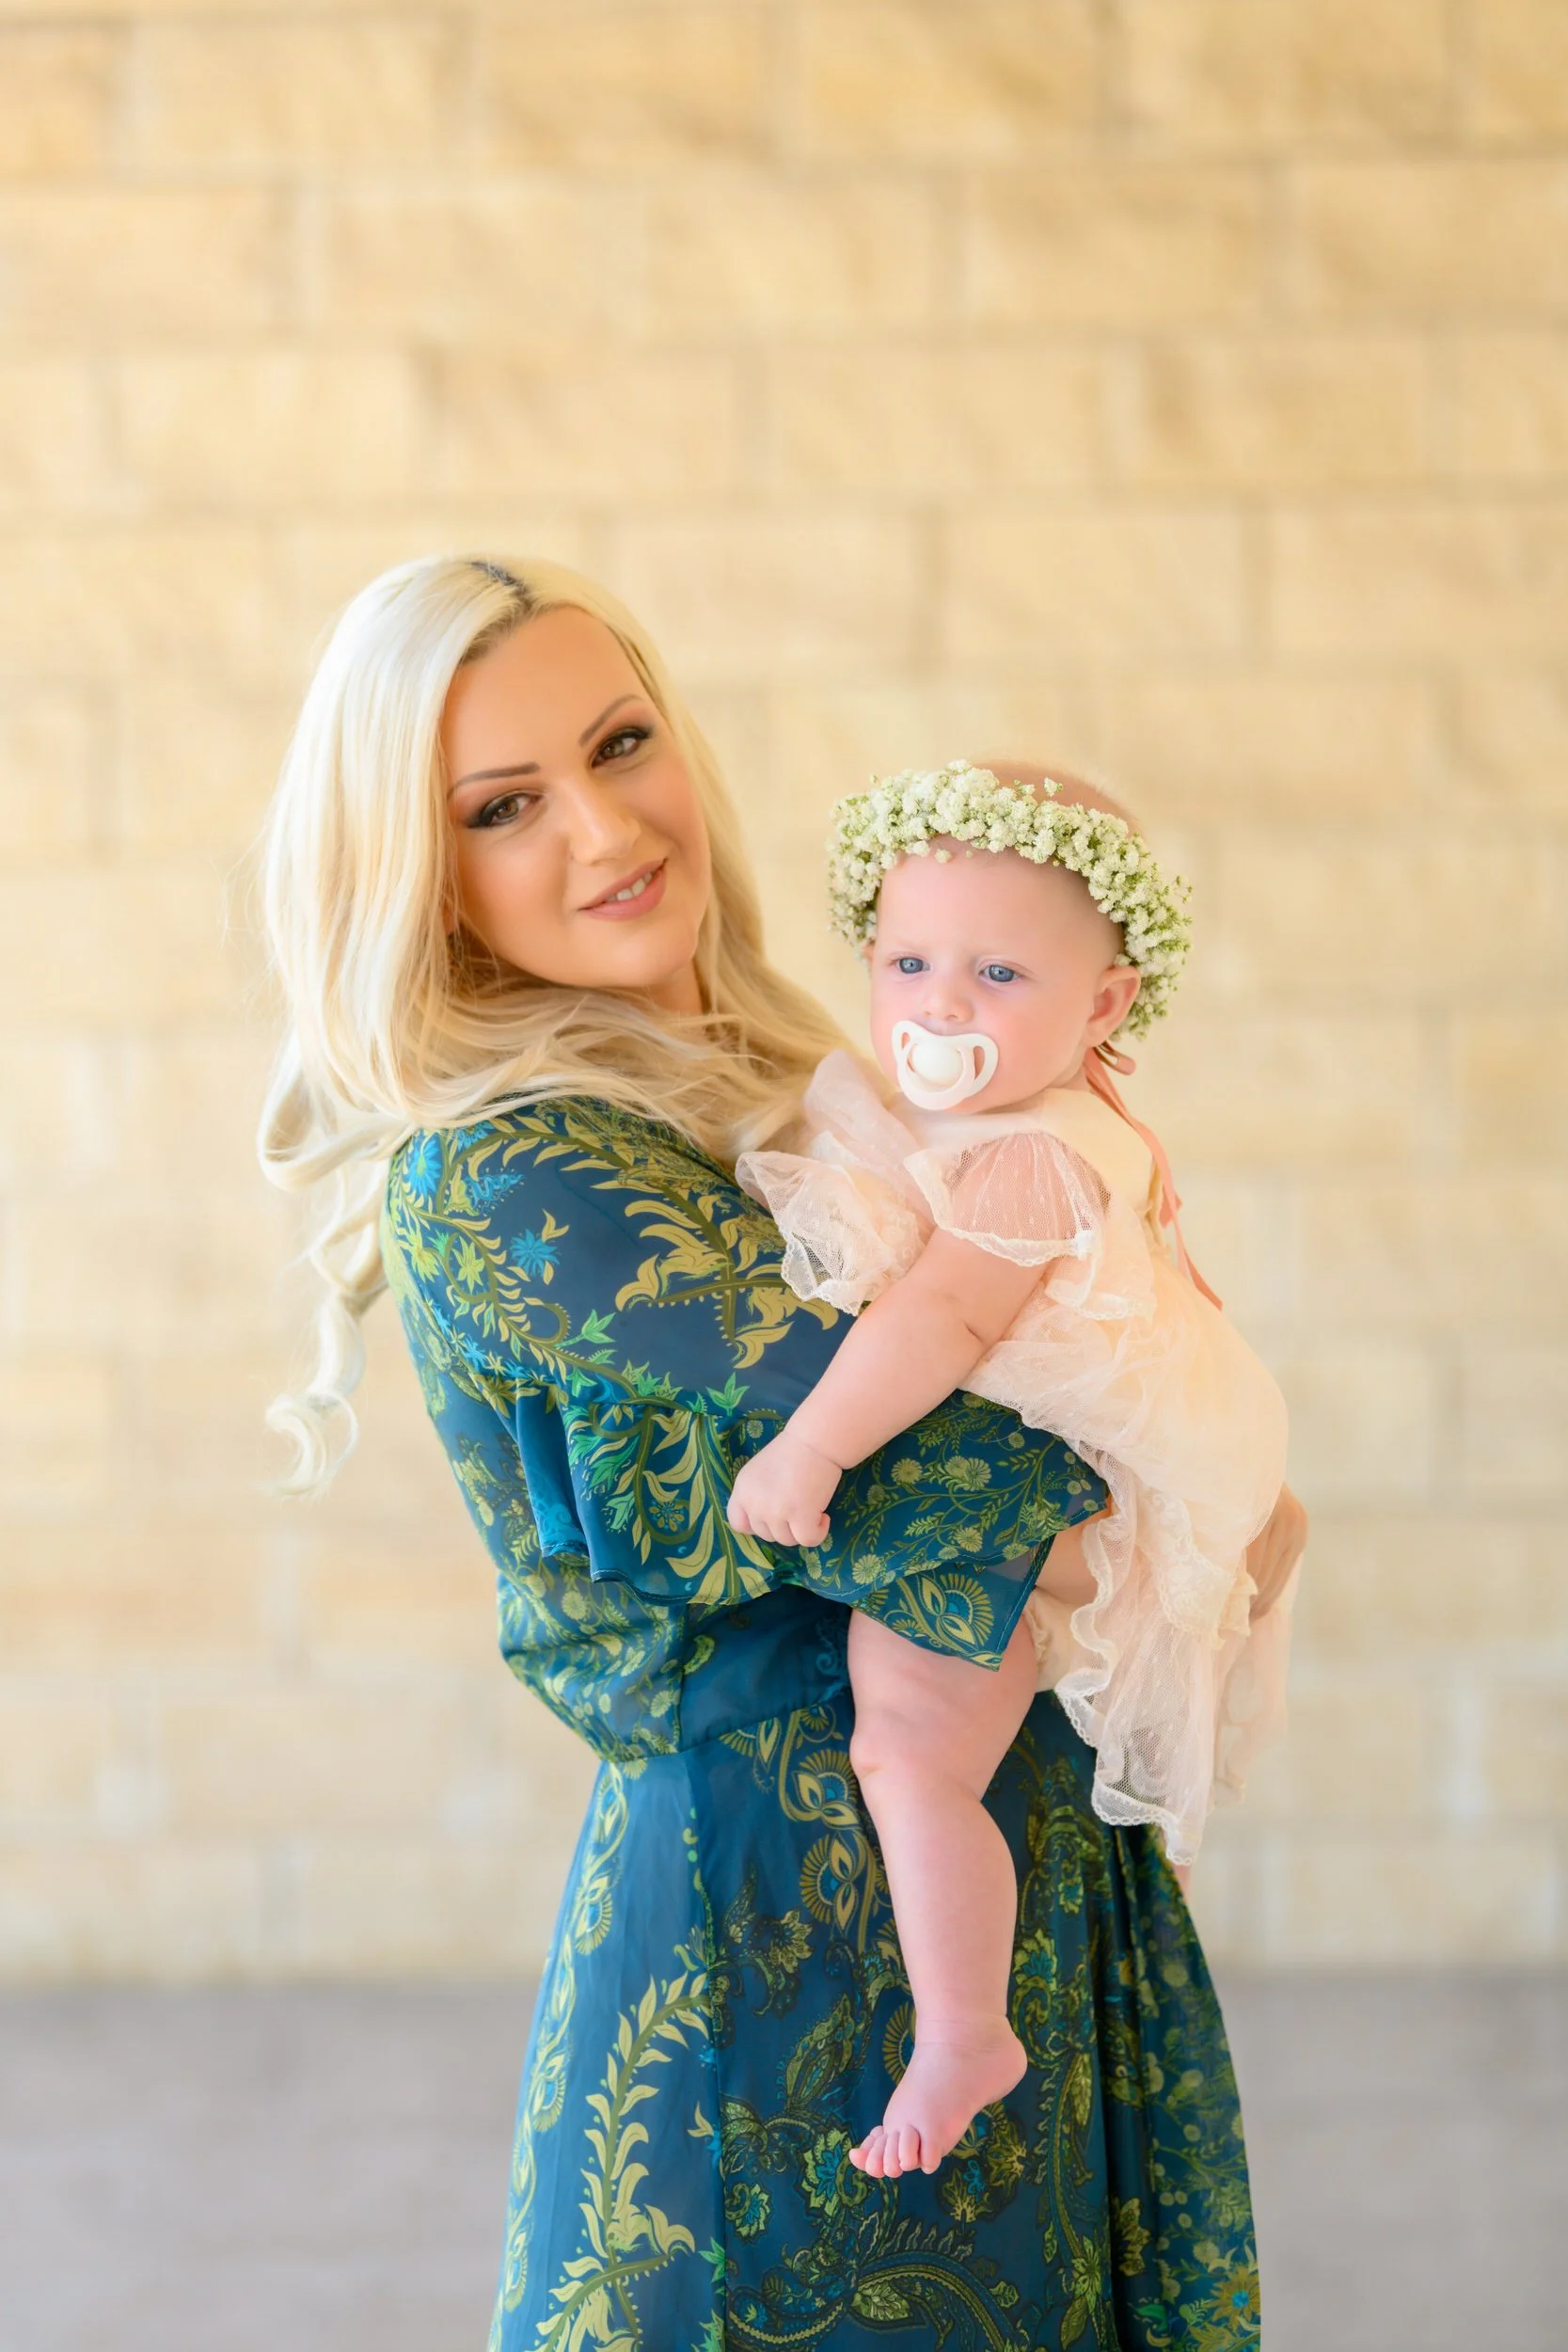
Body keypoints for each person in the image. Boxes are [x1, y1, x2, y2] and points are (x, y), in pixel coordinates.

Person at [258, 552, 1304, 2351]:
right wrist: (1202, 1497)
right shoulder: (513, 1173)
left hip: (993, 1856)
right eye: (505, 807)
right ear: (420, 878)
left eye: (620, 742)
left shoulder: (802, 1077)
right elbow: (1004, 1497)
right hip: (790, 1929)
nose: (601, 829)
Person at [728, 760, 1297, 2181]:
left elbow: (937, 1320)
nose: (938, 1006)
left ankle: (962, 2027)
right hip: (1095, 1476)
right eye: (907, 961)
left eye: (995, 972)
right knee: (928, 1743)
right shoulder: (1043, 1118)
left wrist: (811, 1446)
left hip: (1087, 1490)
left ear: (1101, 1006)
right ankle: (973, 2011)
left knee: (908, 1745)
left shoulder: (1032, 1161)